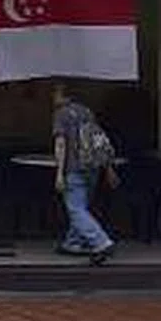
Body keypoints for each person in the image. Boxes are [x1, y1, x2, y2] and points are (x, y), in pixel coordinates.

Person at [50, 82, 115, 263]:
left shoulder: (61, 114)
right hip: (92, 167)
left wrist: (59, 173)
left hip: (74, 168)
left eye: (55, 92)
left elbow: (61, 144)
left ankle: (101, 241)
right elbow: (99, 141)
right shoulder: (87, 112)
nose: (53, 97)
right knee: (81, 206)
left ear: (63, 95)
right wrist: (108, 168)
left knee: (75, 209)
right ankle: (72, 242)